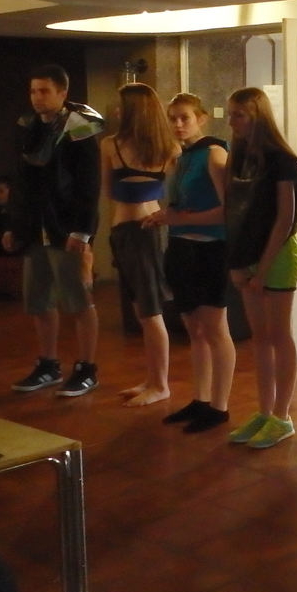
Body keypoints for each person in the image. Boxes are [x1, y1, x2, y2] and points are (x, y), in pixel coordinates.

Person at [7, 64, 106, 398]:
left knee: (78, 300)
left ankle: (87, 367)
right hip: (35, 228)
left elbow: (89, 184)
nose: (37, 97)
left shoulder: (79, 129)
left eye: (45, 91)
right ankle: (48, 364)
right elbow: (20, 181)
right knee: (39, 301)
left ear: (62, 93)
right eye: (33, 91)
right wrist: (15, 224)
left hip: (65, 227)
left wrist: (82, 231)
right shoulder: (29, 127)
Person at [143, 94, 235, 433]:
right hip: (181, 247)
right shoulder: (181, 157)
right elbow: (180, 206)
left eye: (185, 117)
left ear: (201, 118)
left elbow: (227, 211)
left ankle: (219, 406)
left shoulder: (214, 153)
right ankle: (201, 398)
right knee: (194, 330)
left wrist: (178, 218)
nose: (178, 124)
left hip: (210, 249)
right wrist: (167, 217)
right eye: (173, 118)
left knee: (215, 329)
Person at [224, 87, 297, 450]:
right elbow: (234, 214)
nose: (232, 122)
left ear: (257, 116)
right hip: (249, 254)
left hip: (278, 253)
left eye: (239, 114)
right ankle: (264, 410)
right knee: (259, 338)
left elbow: (286, 218)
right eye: (231, 114)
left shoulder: (282, 158)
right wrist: (238, 262)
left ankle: (282, 416)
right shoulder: (239, 157)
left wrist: (262, 269)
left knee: (278, 334)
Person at [102, 83, 179, 407]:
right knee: (140, 309)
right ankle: (152, 378)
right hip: (125, 232)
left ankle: (160, 384)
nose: (117, 111)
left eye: (122, 106)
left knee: (150, 310)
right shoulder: (114, 144)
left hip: (143, 232)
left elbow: (109, 191)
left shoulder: (167, 148)